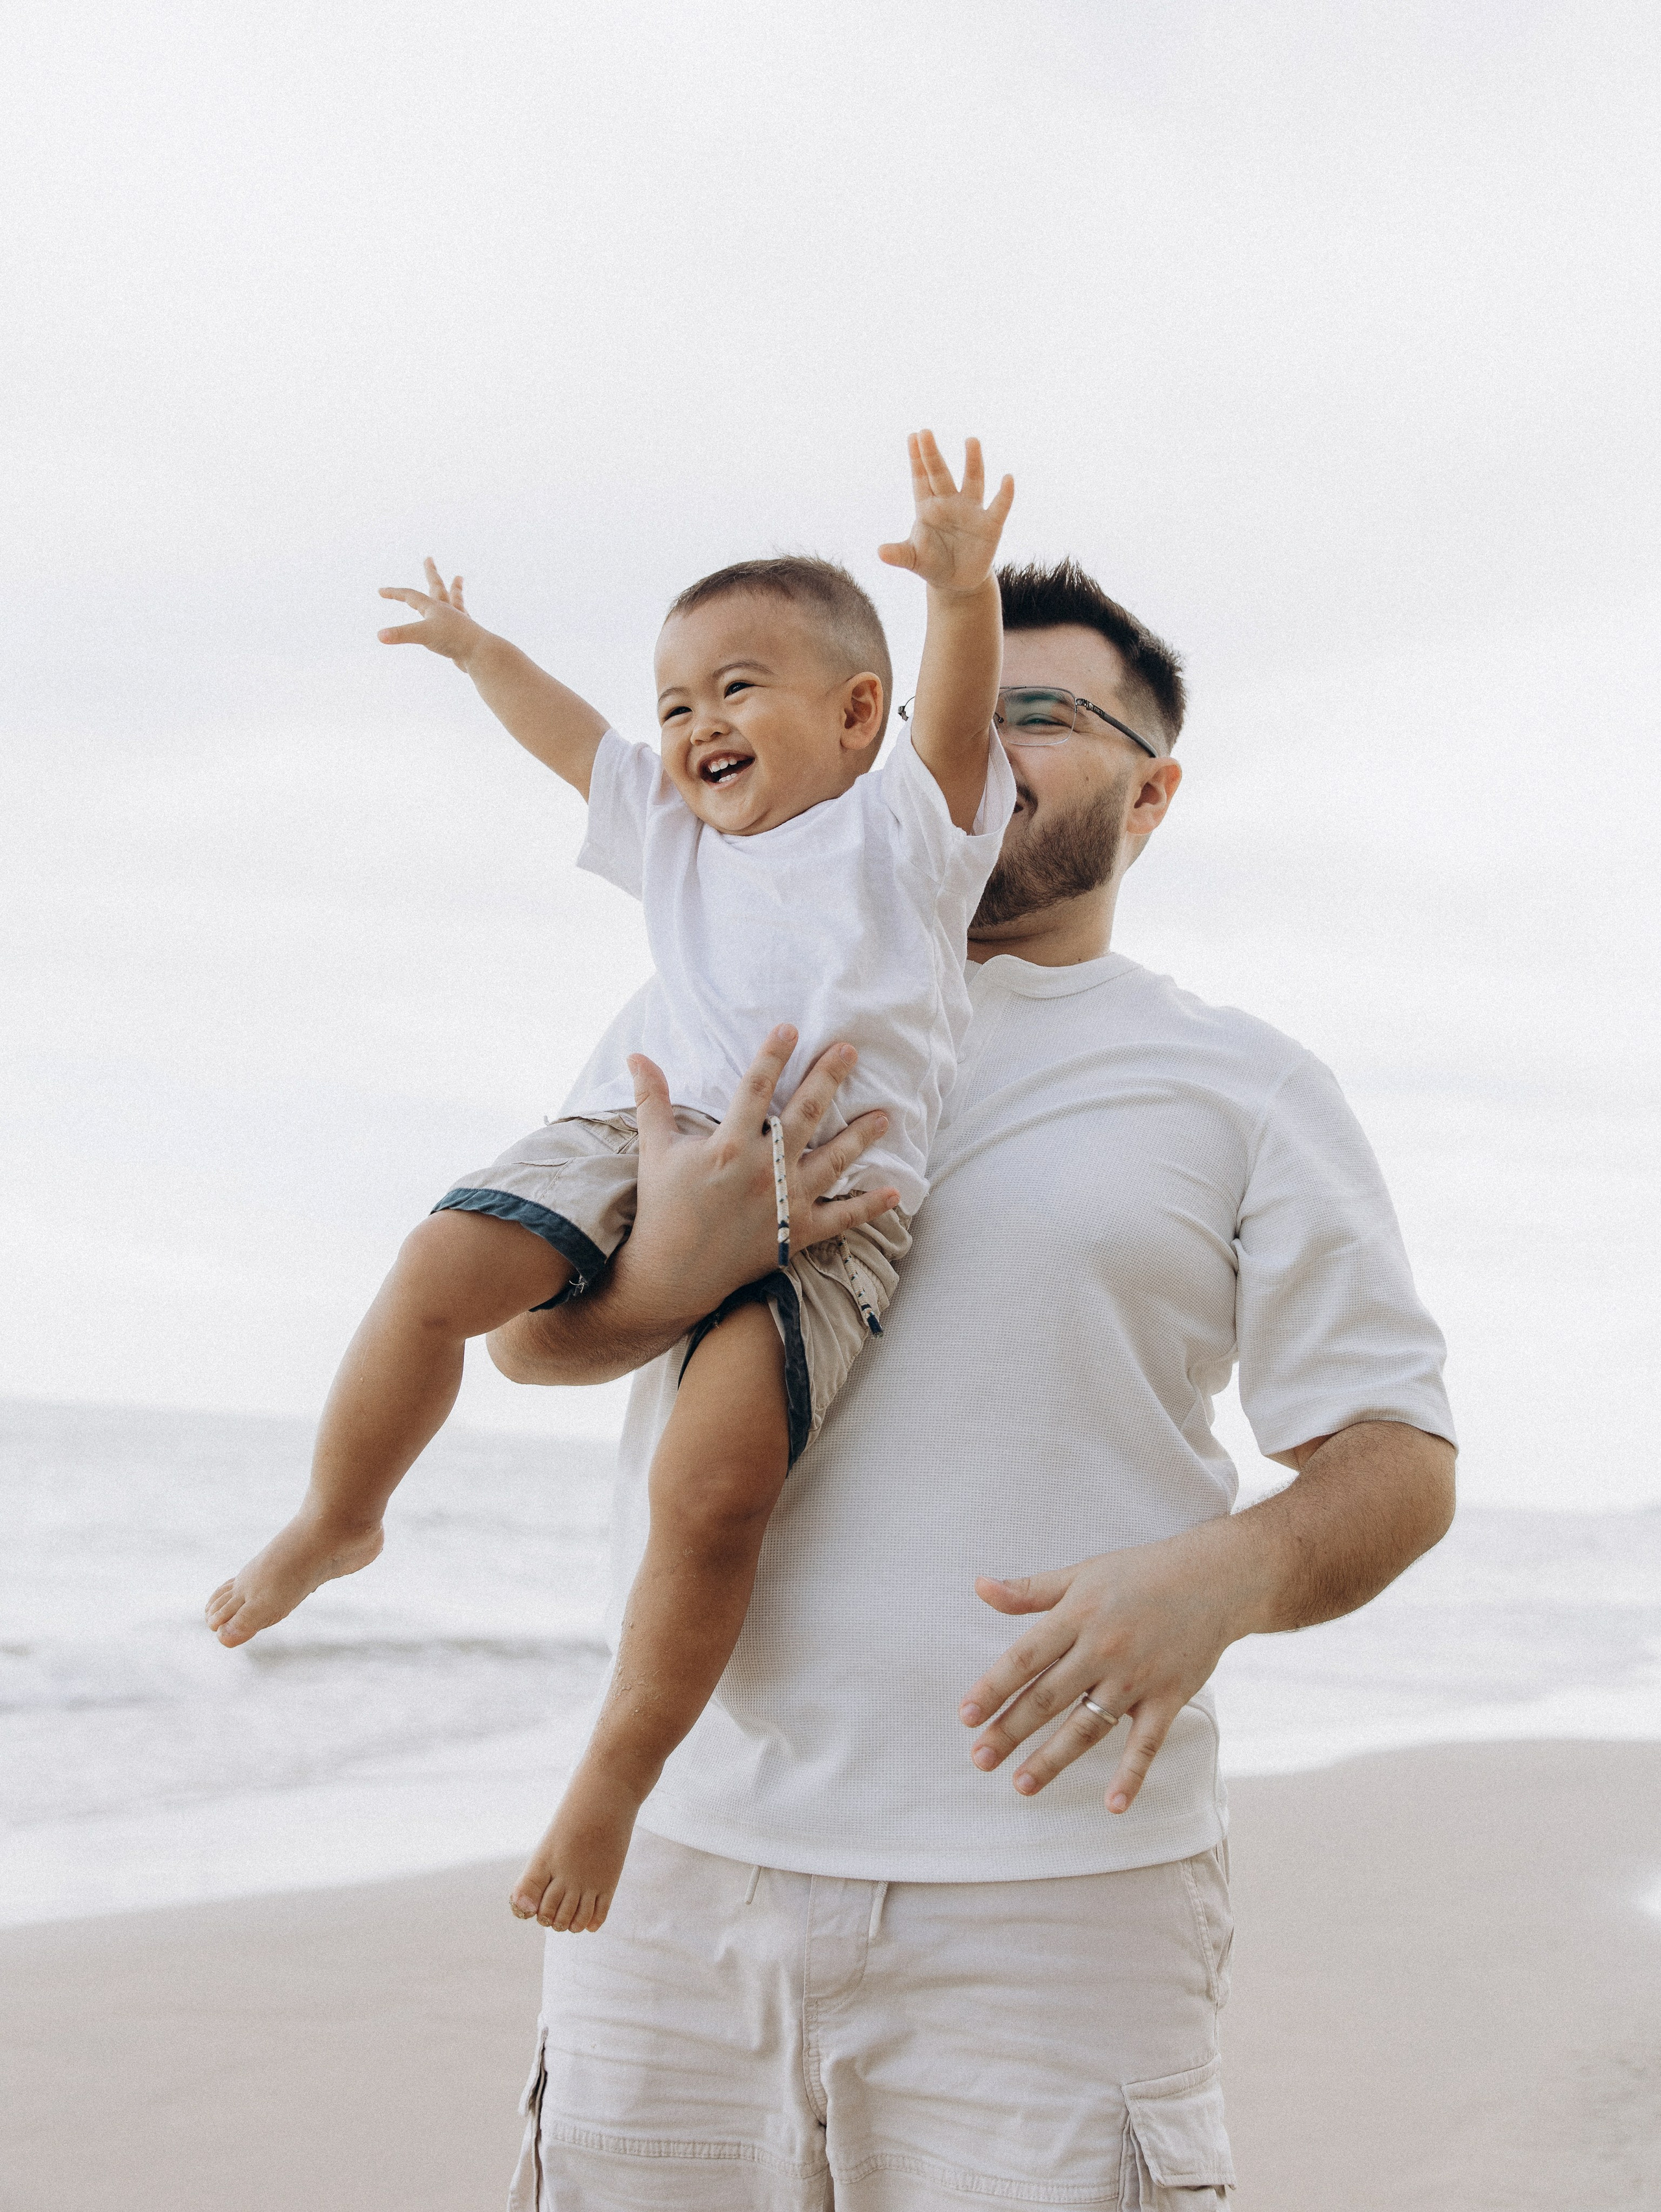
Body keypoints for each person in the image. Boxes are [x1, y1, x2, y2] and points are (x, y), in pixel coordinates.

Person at [487, 558, 1458, 2210]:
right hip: (677, 1868)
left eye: (1040, 713)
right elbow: (534, 1335)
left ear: (1151, 792)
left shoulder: (1242, 1083)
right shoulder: (713, 997)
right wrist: (672, 1265)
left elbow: (1396, 1456)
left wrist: (1222, 1579)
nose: (984, 743)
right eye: (961, 701)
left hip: (1053, 1895)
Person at [203, 432, 1020, 1932]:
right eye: (677, 699)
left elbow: (955, 717)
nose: (694, 723)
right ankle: (341, 1510)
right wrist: (473, 647)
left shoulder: (900, 833)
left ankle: (611, 1780)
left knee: (708, 1494)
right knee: (436, 1271)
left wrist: (959, 596)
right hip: (632, 1136)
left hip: (832, 1208)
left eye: (734, 689)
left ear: (854, 715)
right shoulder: (669, 837)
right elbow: (570, 737)